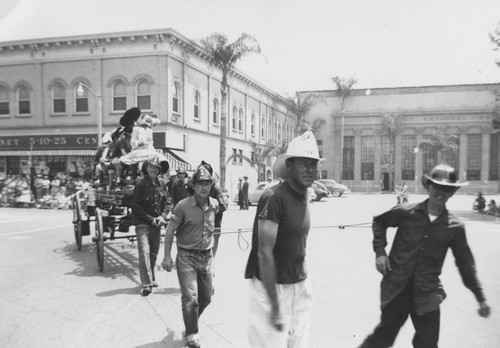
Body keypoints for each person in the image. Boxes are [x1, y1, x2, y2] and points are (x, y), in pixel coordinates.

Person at [358, 164, 491, 348]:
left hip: (427, 293)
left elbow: (466, 264)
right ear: (428, 186)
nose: (441, 193)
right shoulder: (407, 212)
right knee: (382, 339)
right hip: (397, 288)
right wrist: (380, 253)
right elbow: (379, 222)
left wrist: (480, 298)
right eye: (437, 186)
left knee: (428, 344)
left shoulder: (455, 227)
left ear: (452, 193)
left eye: (447, 189)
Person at [244, 131, 322, 348]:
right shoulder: (274, 198)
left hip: (300, 283)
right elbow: (264, 253)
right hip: (273, 288)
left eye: (313, 164)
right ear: (289, 166)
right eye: (303, 164)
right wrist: (274, 305)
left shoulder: (306, 195)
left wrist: (304, 284)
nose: (310, 170)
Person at [161, 166, 220, 348]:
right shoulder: (182, 206)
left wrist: (213, 260)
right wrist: (167, 257)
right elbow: (170, 231)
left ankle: (190, 321)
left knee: (207, 297)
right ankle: (192, 333)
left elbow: (213, 233)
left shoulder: (214, 205)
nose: (204, 187)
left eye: (207, 183)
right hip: (186, 257)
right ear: (193, 186)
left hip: (206, 257)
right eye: (200, 184)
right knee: (191, 298)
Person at [132, 157, 170, 296]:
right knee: (144, 252)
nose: (154, 170)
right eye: (151, 167)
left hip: (156, 224)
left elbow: (167, 202)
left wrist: (162, 216)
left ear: (159, 170)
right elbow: (136, 206)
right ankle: (146, 284)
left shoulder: (162, 184)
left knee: (154, 252)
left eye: (156, 168)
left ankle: (152, 276)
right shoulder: (140, 185)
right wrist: (150, 219)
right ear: (146, 169)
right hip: (142, 223)